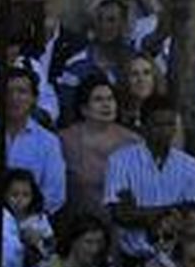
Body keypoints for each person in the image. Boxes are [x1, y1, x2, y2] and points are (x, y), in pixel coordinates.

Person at [103, 95, 195, 267]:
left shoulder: (190, 165)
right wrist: (170, 211)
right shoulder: (120, 161)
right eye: (158, 125)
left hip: (179, 261)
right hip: (136, 260)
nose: (166, 131)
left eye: (170, 124)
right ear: (143, 126)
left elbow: (194, 213)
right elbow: (121, 215)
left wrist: (144, 213)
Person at [58, 76, 140, 219]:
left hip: (122, 224)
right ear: (84, 109)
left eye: (110, 99)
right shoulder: (65, 141)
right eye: (98, 100)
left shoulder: (133, 142)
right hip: (77, 225)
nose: (106, 105)